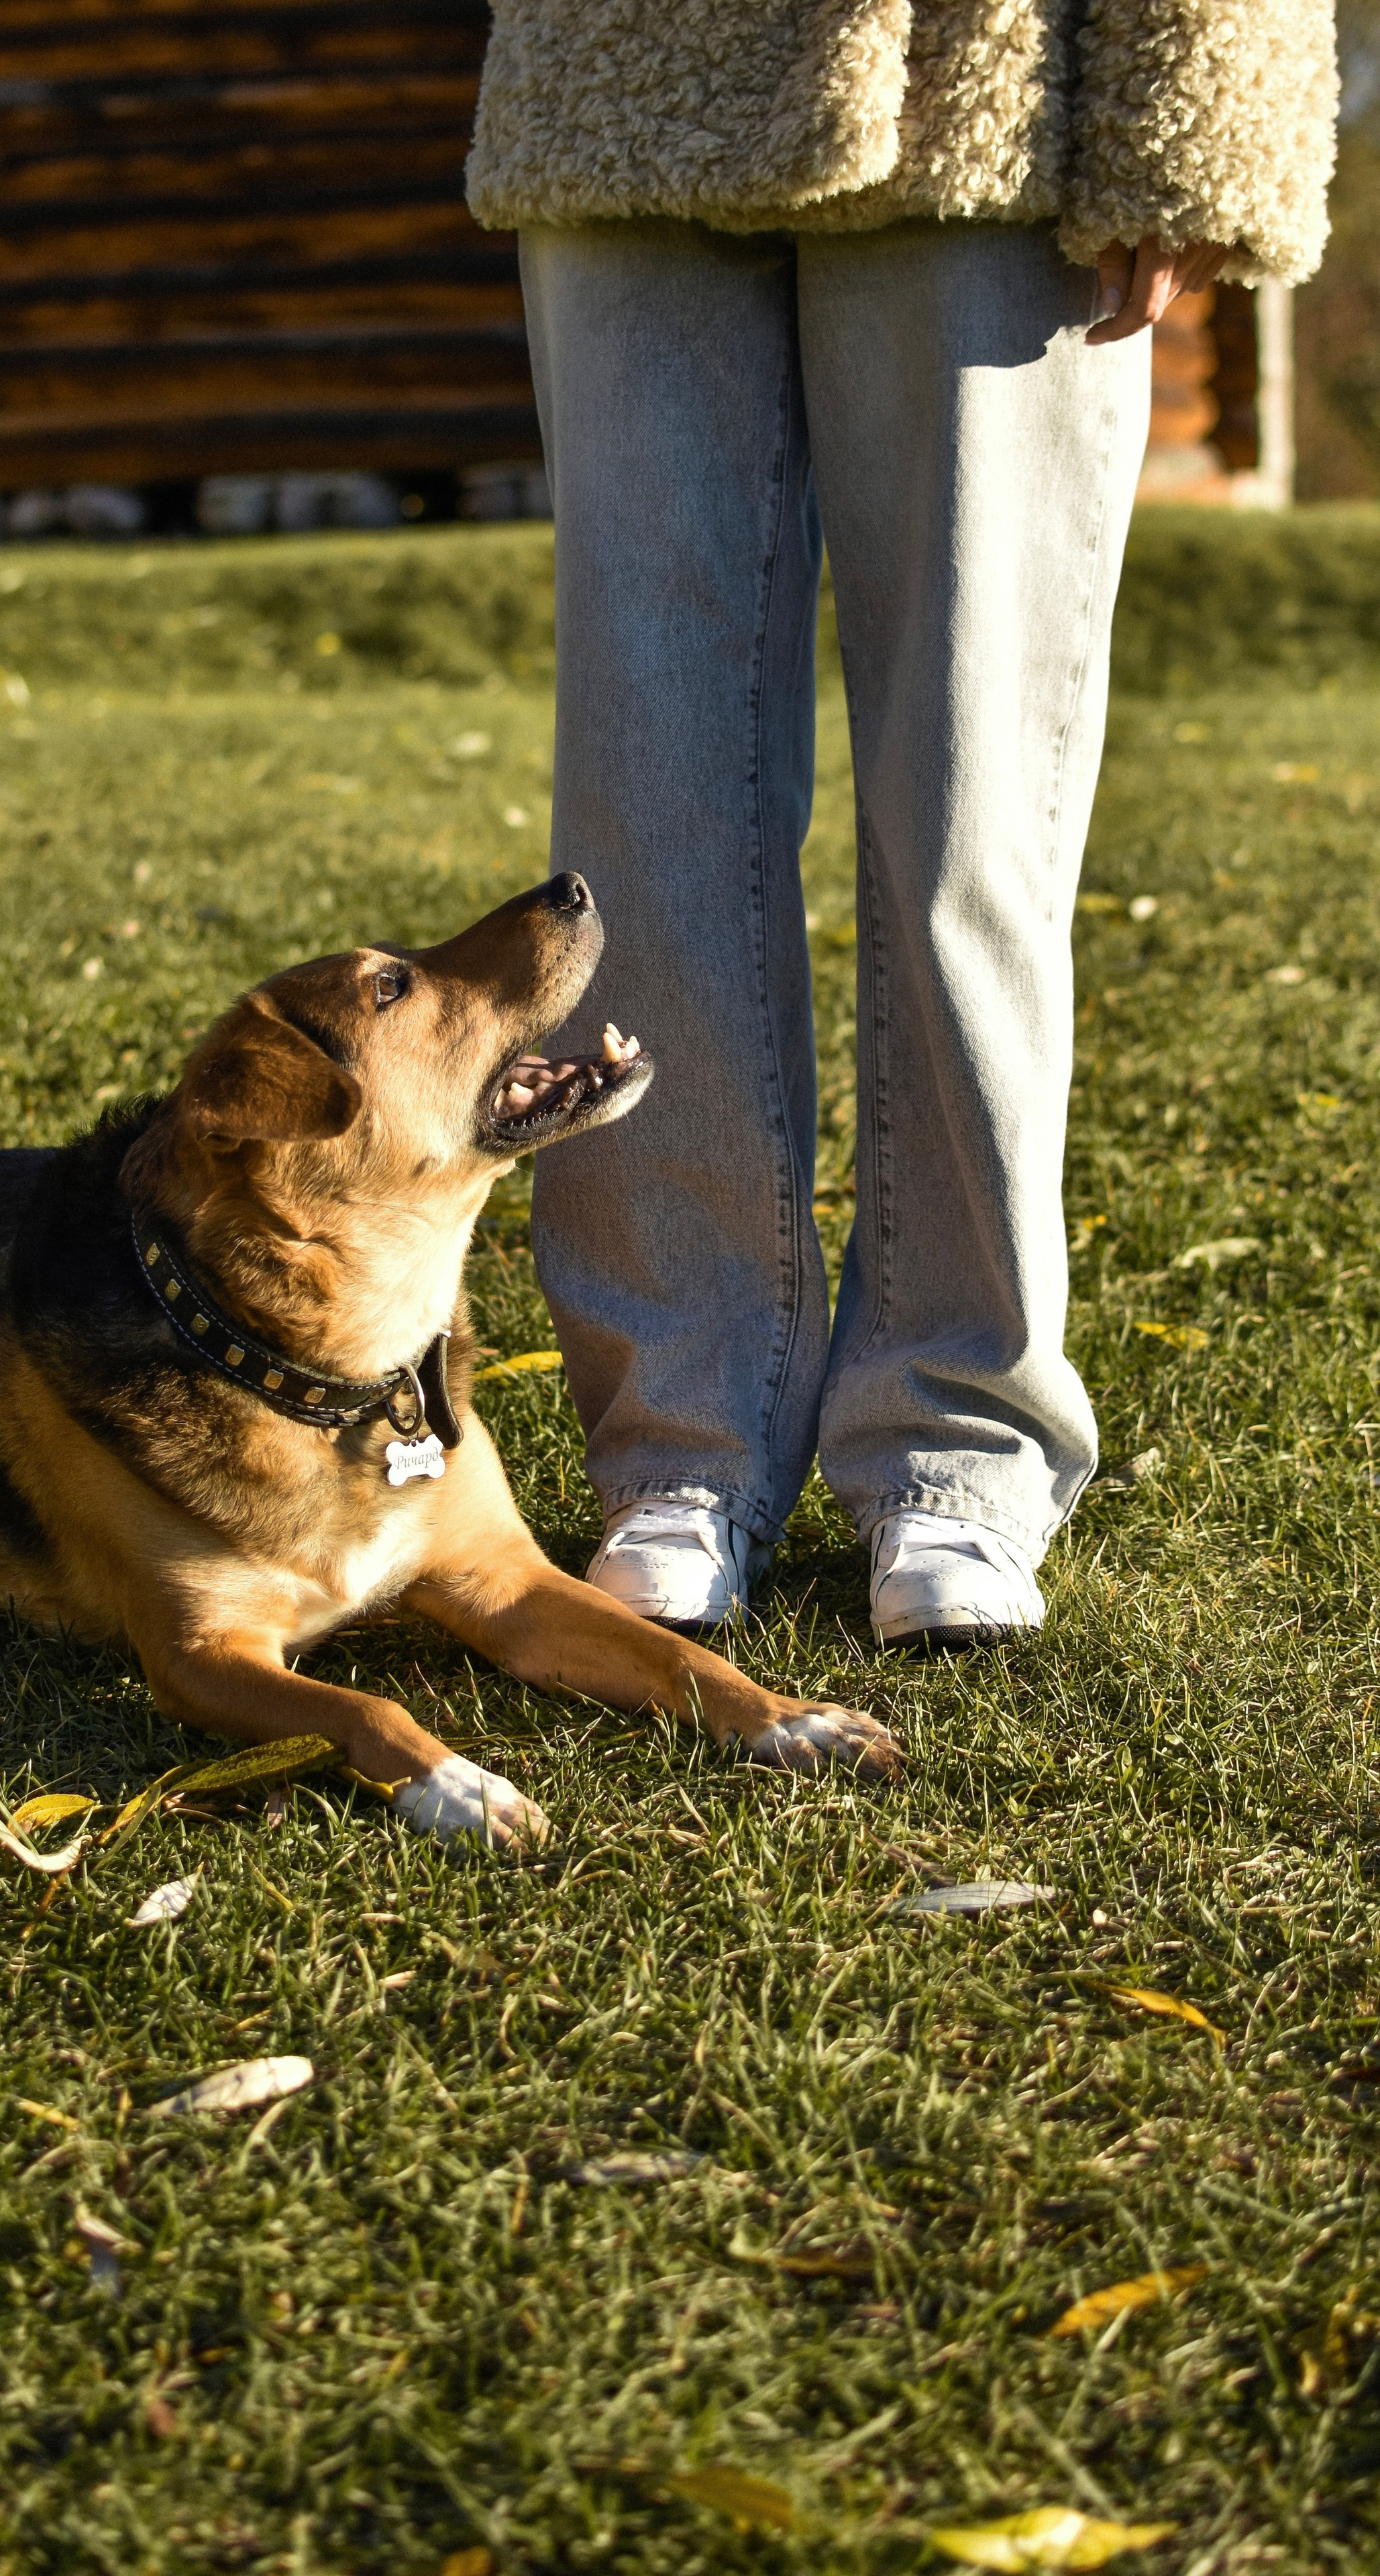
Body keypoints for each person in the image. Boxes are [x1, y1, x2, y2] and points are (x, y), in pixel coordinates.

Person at [465, 2, 1336, 1646]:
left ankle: (955, 1436)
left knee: (970, 812)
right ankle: (677, 1436)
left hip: (992, 92)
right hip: (619, 73)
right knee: (642, 804)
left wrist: (1193, 109)